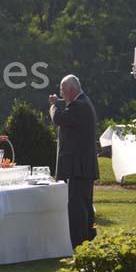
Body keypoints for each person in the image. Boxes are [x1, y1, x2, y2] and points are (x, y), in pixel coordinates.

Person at [49, 74, 99, 249]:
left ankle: (78, 244)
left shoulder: (79, 105)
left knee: (77, 208)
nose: (61, 94)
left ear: (71, 89)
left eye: (62, 90)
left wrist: (54, 106)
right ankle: (87, 240)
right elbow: (69, 112)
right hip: (83, 167)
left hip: (79, 167)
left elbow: (60, 118)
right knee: (84, 205)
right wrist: (60, 103)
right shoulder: (83, 103)